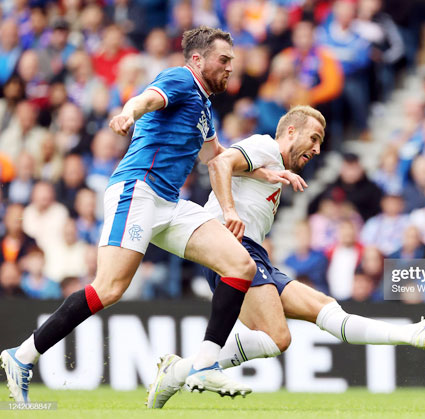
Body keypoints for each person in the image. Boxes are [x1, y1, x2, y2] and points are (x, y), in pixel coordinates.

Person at [1, 26, 295, 403]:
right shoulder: (179, 79)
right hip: (137, 190)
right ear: (197, 59)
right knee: (108, 288)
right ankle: (22, 356)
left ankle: (204, 363)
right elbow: (146, 99)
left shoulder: (204, 107)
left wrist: (264, 171)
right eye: (223, 61)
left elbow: (216, 157)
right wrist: (128, 112)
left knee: (241, 265)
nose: (229, 68)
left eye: (231, 62)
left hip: (169, 203)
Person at [145, 106, 425, 409]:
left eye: (321, 142)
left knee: (327, 310)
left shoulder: (271, 166)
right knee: (277, 337)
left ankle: (412, 334)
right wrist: (229, 210)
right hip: (234, 250)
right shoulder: (265, 146)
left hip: (253, 254)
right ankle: (187, 370)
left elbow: (235, 166)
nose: (318, 149)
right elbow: (219, 163)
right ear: (291, 131)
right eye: (314, 138)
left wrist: (262, 176)